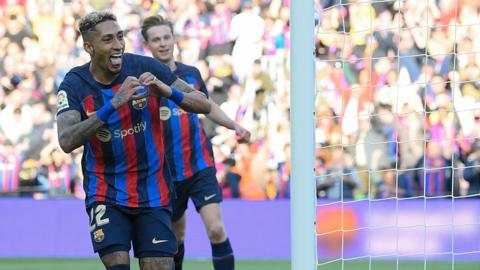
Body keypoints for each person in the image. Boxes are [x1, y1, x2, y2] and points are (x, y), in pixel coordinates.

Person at [55, 11, 211, 270]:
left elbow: (203, 103)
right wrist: (114, 104)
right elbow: (67, 139)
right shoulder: (74, 85)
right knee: (118, 265)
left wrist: (167, 90)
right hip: (106, 191)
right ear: (89, 47)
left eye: (120, 37)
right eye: (108, 40)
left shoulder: (145, 67)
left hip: (153, 190)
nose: (117, 45)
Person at [141, 15, 251, 270]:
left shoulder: (191, 75)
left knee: (215, 228)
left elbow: (207, 106)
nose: (163, 43)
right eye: (156, 39)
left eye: (166, 37)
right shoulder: (143, 82)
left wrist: (235, 125)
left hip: (200, 164)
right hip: (166, 173)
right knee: (176, 238)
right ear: (148, 45)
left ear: (174, 39)